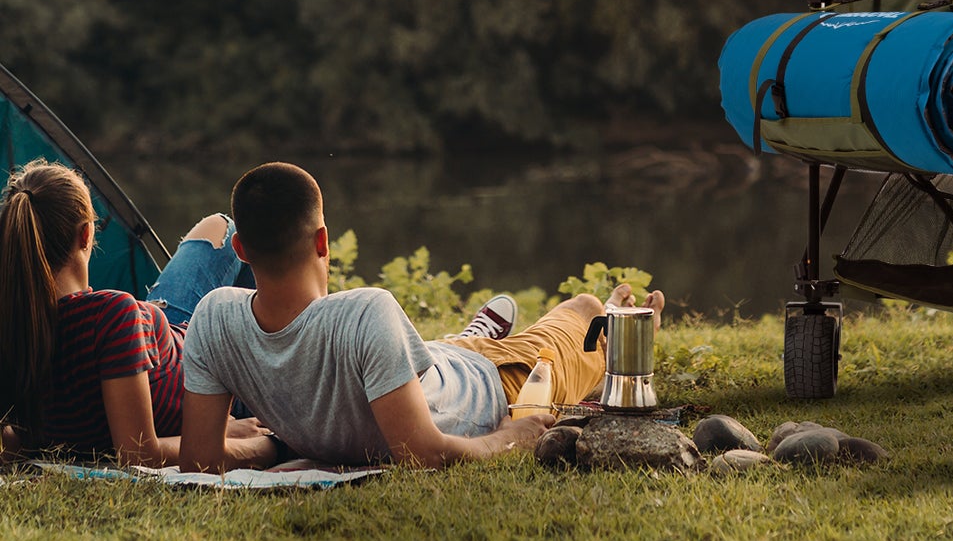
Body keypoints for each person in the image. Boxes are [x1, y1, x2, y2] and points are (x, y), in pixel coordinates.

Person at [179, 161, 665, 471]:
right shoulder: (366, 312)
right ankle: (625, 330)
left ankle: (471, 336)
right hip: (497, 384)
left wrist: (278, 449)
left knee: (439, 354)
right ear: (323, 241)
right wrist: (508, 437)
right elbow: (424, 456)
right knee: (585, 308)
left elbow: (198, 462)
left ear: (240, 248)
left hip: (434, 369)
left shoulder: (213, 318)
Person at [0, 159, 279, 469]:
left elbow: (15, 440)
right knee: (225, 230)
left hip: (156, 340)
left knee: (217, 228)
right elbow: (139, 454)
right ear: (86, 234)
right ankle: (286, 356)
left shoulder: (15, 326)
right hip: (211, 379)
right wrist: (242, 437)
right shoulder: (109, 315)